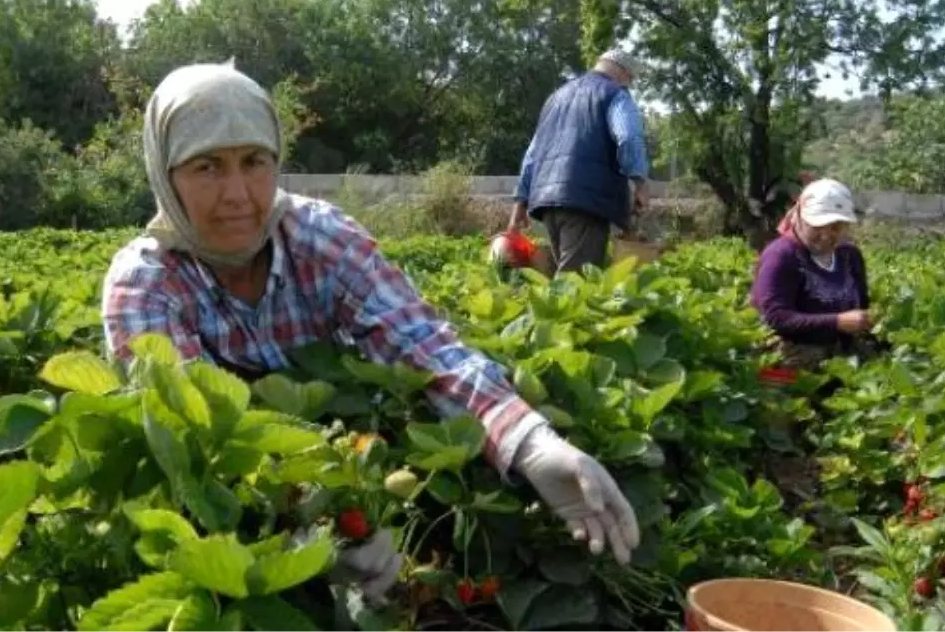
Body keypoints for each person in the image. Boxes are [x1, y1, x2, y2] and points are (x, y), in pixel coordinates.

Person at [100, 62, 641, 605]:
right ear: (164, 175)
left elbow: (425, 346)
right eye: (206, 167)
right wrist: (312, 528)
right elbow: (197, 448)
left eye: (254, 161)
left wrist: (531, 442)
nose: (238, 192)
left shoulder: (320, 238)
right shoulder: (145, 286)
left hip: (354, 468)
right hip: (231, 537)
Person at [507, 48, 652, 274]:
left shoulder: (555, 99)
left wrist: (520, 203)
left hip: (546, 202)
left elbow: (531, 156)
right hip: (585, 201)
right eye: (631, 77)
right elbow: (628, 137)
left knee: (567, 276)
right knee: (574, 287)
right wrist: (640, 183)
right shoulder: (615, 94)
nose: (630, 83)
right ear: (623, 72)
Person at [750, 178, 880, 370]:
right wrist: (837, 322)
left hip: (840, 351)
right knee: (781, 384)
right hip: (790, 353)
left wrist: (869, 321)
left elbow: (862, 304)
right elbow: (776, 317)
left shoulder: (849, 255)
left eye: (835, 227)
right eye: (817, 226)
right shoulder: (781, 255)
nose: (826, 235)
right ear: (800, 217)